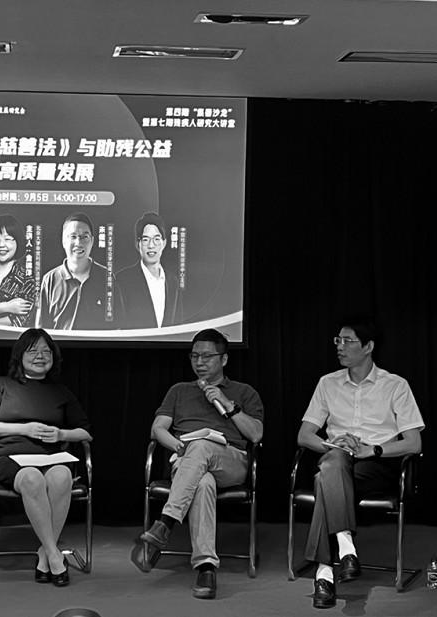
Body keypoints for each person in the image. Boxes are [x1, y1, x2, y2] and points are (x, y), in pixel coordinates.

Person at [297, 318, 424, 609]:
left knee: (324, 479)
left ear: (368, 347)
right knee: (332, 463)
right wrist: (334, 445)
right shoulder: (327, 383)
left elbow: (414, 443)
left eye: (348, 341)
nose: (340, 347)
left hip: (376, 465)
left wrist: (371, 450)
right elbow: (304, 435)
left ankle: (328, 567)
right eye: (337, 340)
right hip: (336, 458)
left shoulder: (395, 385)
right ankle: (340, 556)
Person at [140, 329, 264, 599]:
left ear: (224, 359)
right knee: (203, 482)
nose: (199, 362)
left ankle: (166, 521)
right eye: (195, 356)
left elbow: (256, 434)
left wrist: (227, 404)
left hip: (230, 460)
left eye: (207, 356)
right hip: (188, 460)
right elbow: (157, 429)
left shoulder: (244, 392)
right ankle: (206, 567)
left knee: (202, 446)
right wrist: (178, 446)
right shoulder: (179, 391)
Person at [0, 328, 93, 586]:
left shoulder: (60, 391)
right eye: (33, 351)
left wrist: (61, 433)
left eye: (46, 351)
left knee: (62, 475)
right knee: (32, 478)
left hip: (50, 456)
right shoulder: (1, 384)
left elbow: (85, 432)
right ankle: (54, 555)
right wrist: (25, 429)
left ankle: (45, 552)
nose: (40, 356)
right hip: (11, 457)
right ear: (20, 355)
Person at [36, 212, 112, 330]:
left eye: (84, 237)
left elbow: (119, 326)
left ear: (92, 241)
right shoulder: (50, 280)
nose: (78, 243)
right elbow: (41, 330)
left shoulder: (107, 278)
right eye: (73, 237)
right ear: (63, 241)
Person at [115, 212, 182, 329]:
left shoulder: (173, 281)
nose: (151, 245)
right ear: (138, 244)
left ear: (164, 243)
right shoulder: (122, 280)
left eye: (156, 239)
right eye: (146, 239)